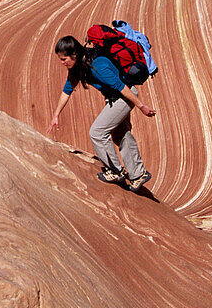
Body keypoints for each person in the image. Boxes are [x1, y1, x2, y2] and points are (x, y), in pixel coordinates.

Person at [48, 35, 155, 191]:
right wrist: (56, 115)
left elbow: (122, 88)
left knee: (97, 132)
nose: (62, 62)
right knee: (121, 134)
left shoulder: (98, 66)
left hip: (124, 96)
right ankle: (138, 174)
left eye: (64, 59)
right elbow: (67, 91)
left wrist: (142, 106)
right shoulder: (78, 66)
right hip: (116, 97)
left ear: (74, 55)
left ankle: (116, 171)